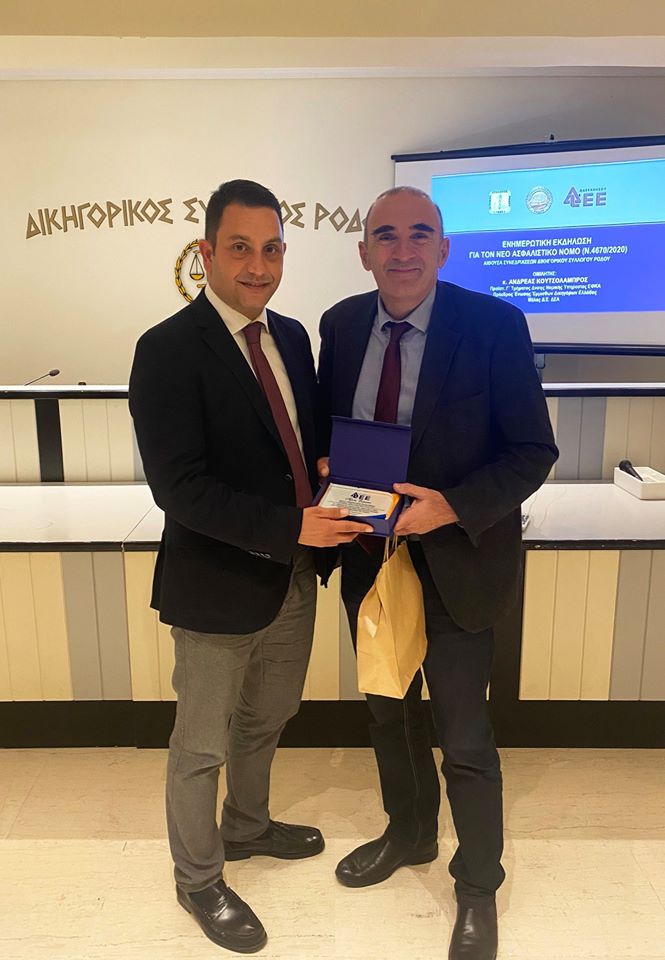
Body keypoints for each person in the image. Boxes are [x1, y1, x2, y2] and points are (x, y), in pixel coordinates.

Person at [129, 179, 371, 954]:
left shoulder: (291, 337)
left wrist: (333, 470)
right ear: (206, 253)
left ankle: (247, 825)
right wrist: (291, 524)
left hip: (293, 576)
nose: (257, 266)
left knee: (269, 716)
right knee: (201, 745)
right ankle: (198, 878)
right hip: (214, 584)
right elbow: (180, 488)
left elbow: (298, 442)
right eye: (239, 248)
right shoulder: (167, 349)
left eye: (270, 249)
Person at [317, 186, 558, 960]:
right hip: (370, 559)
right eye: (385, 236)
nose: (402, 250)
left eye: (419, 234)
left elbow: (532, 451)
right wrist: (325, 466)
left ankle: (476, 885)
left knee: (462, 734)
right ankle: (410, 833)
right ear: (363, 251)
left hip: (459, 560)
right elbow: (332, 429)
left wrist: (449, 507)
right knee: (388, 714)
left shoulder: (494, 326)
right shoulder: (339, 325)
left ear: (444, 248)